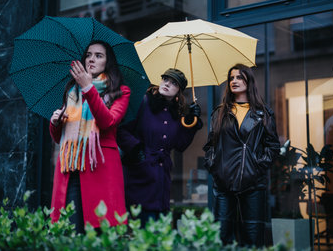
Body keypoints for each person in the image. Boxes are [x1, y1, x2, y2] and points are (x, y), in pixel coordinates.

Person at [49, 40, 130, 233]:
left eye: (98, 56)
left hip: (100, 170)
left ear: (107, 62)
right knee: (71, 231)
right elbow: (59, 137)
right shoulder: (71, 91)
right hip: (71, 171)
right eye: (88, 55)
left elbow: (107, 122)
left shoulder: (120, 92)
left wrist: (88, 88)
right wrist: (54, 123)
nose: (91, 59)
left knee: (100, 232)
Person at [203, 63, 280, 248]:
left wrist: (257, 167)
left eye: (239, 77)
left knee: (252, 240)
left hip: (253, 184)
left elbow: (273, 146)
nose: (234, 81)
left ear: (248, 80)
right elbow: (210, 145)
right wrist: (214, 166)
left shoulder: (263, 114)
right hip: (223, 184)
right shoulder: (219, 113)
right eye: (231, 78)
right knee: (222, 239)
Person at [117, 68, 202, 226]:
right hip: (139, 176)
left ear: (179, 92)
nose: (167, 84)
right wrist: (137, 151)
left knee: (158, 231)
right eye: (165, 80)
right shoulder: (143, 102)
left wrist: (192, 123)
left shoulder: (175, 114)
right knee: (141, 228)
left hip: (161, 180)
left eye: (174, 83)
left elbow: (180, 145)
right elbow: (122, 131)